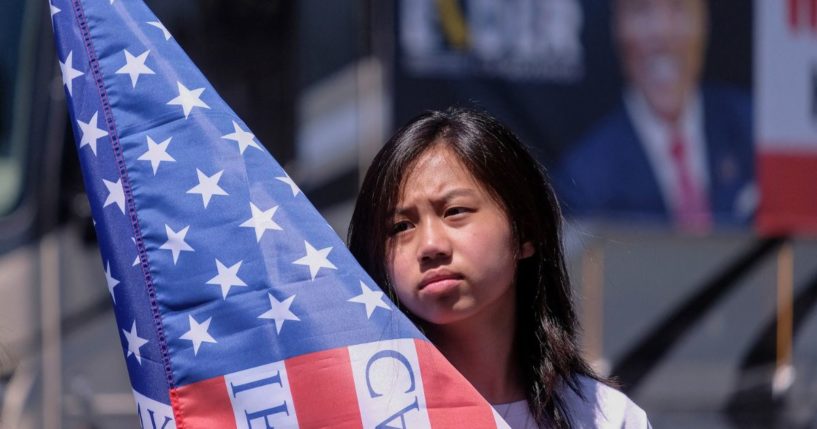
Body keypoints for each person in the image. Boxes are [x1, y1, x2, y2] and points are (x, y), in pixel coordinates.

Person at [348, 108, 651, 428]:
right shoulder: (351, 413)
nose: (430, 245)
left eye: (454, 211)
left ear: (525, 232)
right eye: (400, 227)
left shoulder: (607, 418)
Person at [555, 0, 755, 231]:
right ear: (616, 27)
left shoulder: (754, 130)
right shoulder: (586, 179)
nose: (663, 33)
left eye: (679, 8)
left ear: (704, 21)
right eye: (641, 11)